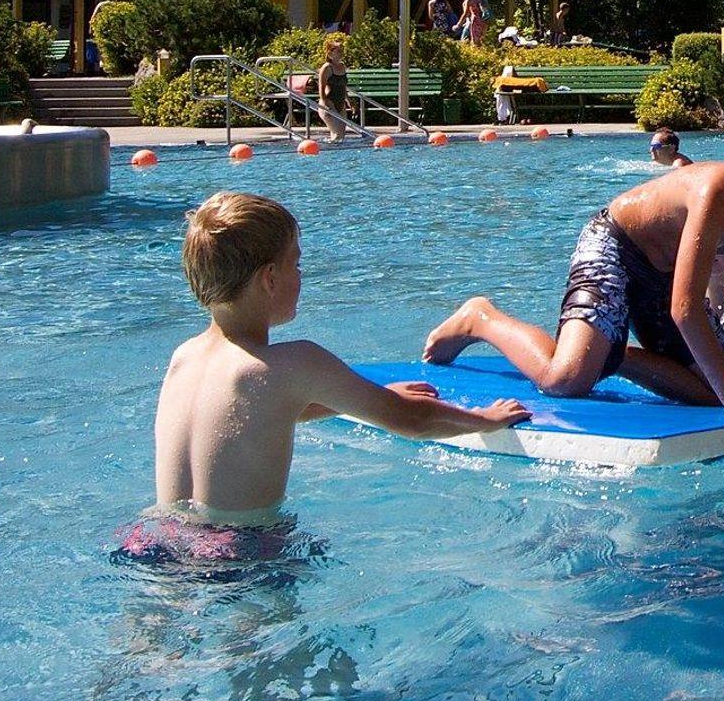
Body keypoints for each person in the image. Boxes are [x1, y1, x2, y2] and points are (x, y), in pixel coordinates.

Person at [141, 193, 528, 544]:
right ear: (270, 278)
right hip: (242, 550)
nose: (301, 275)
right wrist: (484, 419)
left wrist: (367, 399)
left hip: (157, 539)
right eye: (296, 264)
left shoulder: (185, 357)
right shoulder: (296, 362)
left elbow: (253, 418)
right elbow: (410, 420)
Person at [422, 142, 724, 411]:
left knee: (712, 391)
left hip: (662, 273)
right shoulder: (718, 191)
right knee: (565, 380)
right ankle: (480, 318)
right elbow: (685, 308)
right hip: (615, 245)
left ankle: (614, 356)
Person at [316, 36, 355, 140]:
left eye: (342, 51)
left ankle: (331, 149)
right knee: (337, 134)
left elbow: (343, 86)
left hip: (341, 104)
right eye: (339, 51)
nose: (341, 53)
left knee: (341, 137)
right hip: (329, 104)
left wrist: (349, 101)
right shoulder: (327, 67)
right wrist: (326, 104)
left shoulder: (342, 66)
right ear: (330, 53)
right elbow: (321, 88)